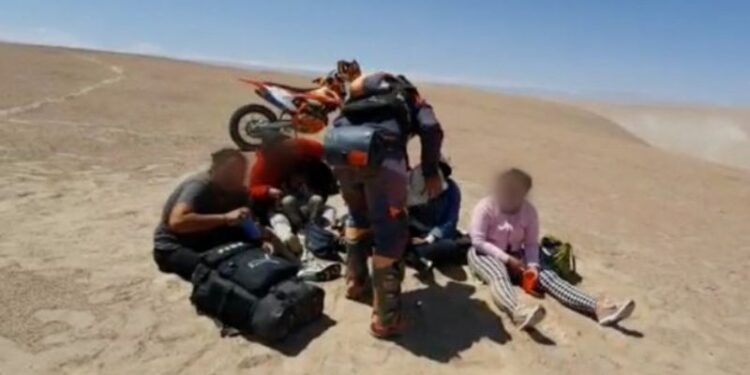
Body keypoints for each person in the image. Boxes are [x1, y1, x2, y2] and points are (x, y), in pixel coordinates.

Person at [327, 61, 444, 338]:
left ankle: (355, 283)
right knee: (391, 232)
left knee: (357, 214)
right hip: (382, 157)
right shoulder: (409, 95)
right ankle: (386, 320)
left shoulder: (357, 98)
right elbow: (431, 128)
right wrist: (429, 170)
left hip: (339, 152)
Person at [468, 168, 636, 330]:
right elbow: (478, 241)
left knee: (549, 277)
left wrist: (533, 266)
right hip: (486, 254)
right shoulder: (486, 207)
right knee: (499, 275)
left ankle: (597, 308)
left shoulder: (529, 212)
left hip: (518, 255)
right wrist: (506, 259)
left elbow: (532, 243)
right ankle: (517, 312)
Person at [153, 148, 255, 281]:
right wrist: (224, 218)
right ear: (216, 170)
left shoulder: (238, 191)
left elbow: (247, 220)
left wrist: (260, 236)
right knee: (213, 276)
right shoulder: (199, 186)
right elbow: (178, 222)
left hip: (207, 239)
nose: (235, 178)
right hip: (175, 246)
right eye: (229, 173)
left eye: (240, 173)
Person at [248, 132, 337, 255]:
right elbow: (253, 189)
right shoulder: (263, 164)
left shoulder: (297, 149)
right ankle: (288, 238)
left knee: (327, 208)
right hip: (280, 207)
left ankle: (325, 230)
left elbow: (320, 150)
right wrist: (267, 191)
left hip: (306, 206)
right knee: (279, 218)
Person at [406, 160, 470, 270]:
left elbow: (450, 221)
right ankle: (416, 254)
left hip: (435, 235)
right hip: (412, 230)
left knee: (453, 246)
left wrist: (429, 238)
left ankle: (417, 254)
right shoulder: (413, 183)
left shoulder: (452, 190)